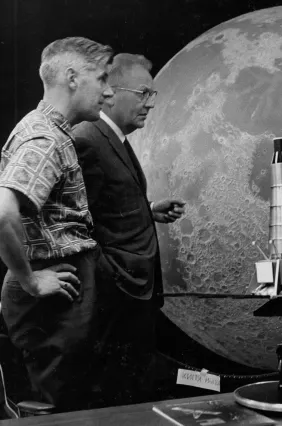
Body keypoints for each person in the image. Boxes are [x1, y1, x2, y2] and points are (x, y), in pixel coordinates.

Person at [0, 37, 114, 412]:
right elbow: (2, 211)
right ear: (71, 77)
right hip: (52, 295)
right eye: (101, 78)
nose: (108, 91)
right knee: (64, 412)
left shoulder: (51, 132)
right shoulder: (44, 137)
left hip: (60, 288)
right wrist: (31, 280)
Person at [73, 53, 185, 407]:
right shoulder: (89, 139)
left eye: (152, 95)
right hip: (116, 296)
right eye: (143, 93)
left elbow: (108, 206)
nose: (150, 104)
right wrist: (110, 277)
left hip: (133, 295)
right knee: (116, 392)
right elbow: (79, 222)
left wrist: (149, 211)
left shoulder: (114, 138)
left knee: (134, 387)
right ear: (110, 92)